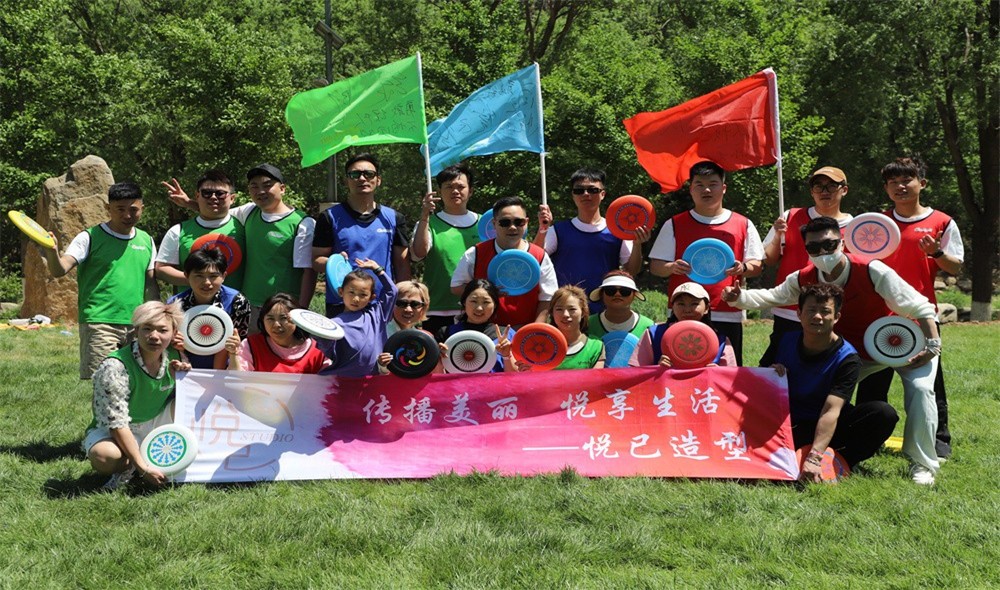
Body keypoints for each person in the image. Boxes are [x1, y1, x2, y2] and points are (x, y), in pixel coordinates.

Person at [721, 216, 942, 484]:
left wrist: (932, 344)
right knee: (825, 400)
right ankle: (815, 448)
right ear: (806, 249)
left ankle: (922, 464)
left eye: (829, 244)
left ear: (842, 242)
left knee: (921, 391)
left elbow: (919, 305)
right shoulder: (803, 277)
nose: (823, 252)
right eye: (814, 248)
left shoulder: (872, 269)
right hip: (854, 355)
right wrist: (740, 298)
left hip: (902, 342)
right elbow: (773, 296)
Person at [855, 157, 965, 461]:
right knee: (871, 384)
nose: (900, 186)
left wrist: (936, 252)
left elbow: (955, 267)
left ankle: (938, 441)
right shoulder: (875, 224)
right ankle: (865, 440)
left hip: (921, 318)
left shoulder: (942, 222)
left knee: (928, 384)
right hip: (877, 316)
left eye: (907, 180)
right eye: (893, 182)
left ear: (922, 183)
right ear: (886, 188)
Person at [761, 284, 898, 482]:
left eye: (825, 311)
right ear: (799, 314)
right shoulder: (783, 341)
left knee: (883, 414)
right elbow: (757, 385)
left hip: (827, 424)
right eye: (811, 310)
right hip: (787, 424)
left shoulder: (848, 358)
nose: (817, 317)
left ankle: (839, 462)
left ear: (836, 317)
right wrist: (770, 373)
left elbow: (831, 411)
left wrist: (815, 457)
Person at [165, 163, 316, 328]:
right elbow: (217, 211)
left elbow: (308, 271)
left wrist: (301, 311)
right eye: (254, 186)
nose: (260, 191)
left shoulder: (303, 223)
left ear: (282, 188)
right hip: (249, 305)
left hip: (285, 307)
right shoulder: (249, 212)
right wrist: (189, 202)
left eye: (267, 185)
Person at [37, 181, 159, 379]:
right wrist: (52, 252)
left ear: (142, 208)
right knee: (105, 383)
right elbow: (60, 270)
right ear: (107, 207)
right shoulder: (89, 237)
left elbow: (150, 284)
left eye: (133, 209)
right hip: (100, 323)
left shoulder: (146, 240)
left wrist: (156, 318)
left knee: (136, 383)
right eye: (120, 209)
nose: (127, 215)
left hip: (137, 325)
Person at [648, 160, 764, 365]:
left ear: (723, 188)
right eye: (699, 184)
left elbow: (757, 266)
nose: (706, 190)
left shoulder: (743, 223)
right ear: (691, 189)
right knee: (679, 369)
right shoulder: (674, 224)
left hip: (726, 312)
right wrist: (672, 267)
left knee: (726, 372)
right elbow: (656, 267)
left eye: (712, 184)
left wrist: (743, 267)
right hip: (683, 313)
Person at [83, 301, 191, 490]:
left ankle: (143, 458)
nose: (154, 336)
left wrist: (183, 380)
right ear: (137, 330)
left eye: (162, 330)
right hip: (118, 429)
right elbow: (117, 423)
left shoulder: (176, 355)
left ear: (174, 333)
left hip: (157, 419)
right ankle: (135, 464)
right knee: (105, 456)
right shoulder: (114, 367)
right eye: (147, 329)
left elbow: (188, 400)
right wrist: (143, 468)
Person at [535, 168, 648, 313]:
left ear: (602, 194)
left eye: (592, 190)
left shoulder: (618, 232)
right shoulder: (557, 230)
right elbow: (535, 259)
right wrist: (542, 229)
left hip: (605, 311)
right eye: (579, 190)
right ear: (573, 195)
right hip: (566, 313)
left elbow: (631, 271)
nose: (586, 194)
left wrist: (637, 244)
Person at [762, 166, 853, 346]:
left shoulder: (855, 227)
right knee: (782, 358)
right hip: (790, 310)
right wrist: (778, 236)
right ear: (812, 192)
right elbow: (769, 259)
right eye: (818, 186)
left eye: (831, 186)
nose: (824, 192)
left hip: (829, 313)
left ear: (844, 190)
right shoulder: (790, 216)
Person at [312, 153, 410, 317]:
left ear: (378, 180)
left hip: (381, 303)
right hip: (341, 304)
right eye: (355, 174)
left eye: (369, 174)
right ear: (346, 181)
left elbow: (402, 264)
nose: (362, 178)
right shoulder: (329, 217)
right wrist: (335, 263)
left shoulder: (394, 218)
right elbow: (316, 260)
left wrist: (404, 300)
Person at [450, 196, 558, 327]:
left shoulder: (539, 256)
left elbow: (547, 297)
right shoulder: (476, 253)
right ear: (494, 224)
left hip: (524, 329)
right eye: (505, 222)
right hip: (483, 329)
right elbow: (456, 286)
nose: (512, 227)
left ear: (526, 222)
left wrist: (534, 329)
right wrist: (486, 293)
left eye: (518, 222)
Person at [409, 163, 481, 335]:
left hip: (478, 309)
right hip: (438, 309)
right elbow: (418, 254)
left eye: (460, 187)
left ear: (470, 191)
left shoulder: (485, 224)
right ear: (439, 192)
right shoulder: (429, 223)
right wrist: (424, 217)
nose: (455, 191)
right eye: (449, 187)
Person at [157, 169, 245, 291]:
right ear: (197, 196)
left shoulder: (244, 225)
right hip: (190, 302)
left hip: (235, 302)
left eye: (220, 193)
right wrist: (196, 280)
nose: (213, 197)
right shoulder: (178, 230)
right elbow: (161, 269)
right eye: (206, 193)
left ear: (232, 198)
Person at [166, 248, 251, 369]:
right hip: (183, 367)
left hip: (226, 368)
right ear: (186, 275)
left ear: (224, 276)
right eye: (199, 276)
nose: (206, 282)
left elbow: (240, 341)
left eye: (213, 276)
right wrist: (174, 342)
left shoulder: (237, 302)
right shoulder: (174, 304)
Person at [316, 258, 398, 377]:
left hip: (372, 380)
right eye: (351, 292)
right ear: (341, 292)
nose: (356, 299)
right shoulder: (333, 325)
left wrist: (377, 269)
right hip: (342, 381)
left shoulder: (377, 315)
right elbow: (327, 351)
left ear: (372, 297)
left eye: (363, 294)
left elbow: (392, 291)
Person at [634, 282, 736, 367]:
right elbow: (635, 372)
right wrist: (657, 369)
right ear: (673, 307)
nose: (687, 310)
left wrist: (718, 372)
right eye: (681, 304)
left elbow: (730, 377)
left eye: (694, 304)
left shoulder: (721, 341)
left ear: (706, 308)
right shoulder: (653, 334)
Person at [225, 293, 329, 373]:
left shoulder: (318, 351)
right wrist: (233, 354)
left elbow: (329, 383)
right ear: (262, 320)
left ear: (297, 320)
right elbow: (236, 380)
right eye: (270, 319)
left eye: (283, 318)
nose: (276, 325)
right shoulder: (251, 345)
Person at [436, 279, 517, 374]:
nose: (479, 308)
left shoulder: (507, 335)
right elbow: (436, 377)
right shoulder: (446, 333)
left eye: (486, 302)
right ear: (464, 302)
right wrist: (438, 359)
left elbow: (516, 377)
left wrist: (507, 355)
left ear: (495, 305)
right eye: (474, 301)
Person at [549, 285, 605, 370]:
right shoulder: (541, 344)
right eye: (559, 309)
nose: (565, 315)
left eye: (572, 309)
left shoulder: (596, 346)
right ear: (552, 313)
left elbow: (596, 377)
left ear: (583, 312)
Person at [586, 271, 654, 339]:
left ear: (634, 295)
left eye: (625, 291)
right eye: (610, 290)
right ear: (602, 295)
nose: (617, 294)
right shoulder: (587, 324)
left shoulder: (648, 327)